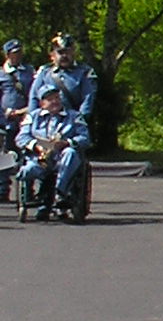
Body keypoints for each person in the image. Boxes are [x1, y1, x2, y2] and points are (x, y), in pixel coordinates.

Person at [14, 83, 89, 219]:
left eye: (57, 98)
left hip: (63, 157)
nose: (55, 101)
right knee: (27, 170)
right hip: (39, 157)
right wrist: (36, 146)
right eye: (50, 99)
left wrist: (67, 143)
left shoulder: (74, 116)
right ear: (42, 103)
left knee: (70, 153)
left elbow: (84, 137)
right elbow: (21, 137)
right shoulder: (33, 117)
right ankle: (33, 198)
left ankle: (59, 192)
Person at [31, 33, 98, 124]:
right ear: (53, 54)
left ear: (73, 52)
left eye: (67, 52)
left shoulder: (84, 72)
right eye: (60, 52)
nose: (64, 56)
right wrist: (34, 121)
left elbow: (88, 100)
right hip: (47, 123)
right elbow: (34, 98)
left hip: (75, 123)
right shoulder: (44, 72)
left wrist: (79, 121)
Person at [0, 38, 30, 201]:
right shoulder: (1, 74)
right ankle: (3, 189)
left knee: (28, 154)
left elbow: (35, 95)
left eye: (19, 53)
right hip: (6, 120)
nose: (18, 56)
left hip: (26, 118)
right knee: (5, 154)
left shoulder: (28, 72)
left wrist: (23, 111)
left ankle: (27, 190)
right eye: (14, 53)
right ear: (7, 55)